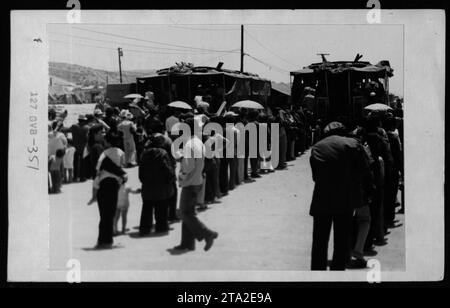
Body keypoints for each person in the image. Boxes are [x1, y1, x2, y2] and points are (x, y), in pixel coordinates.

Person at [309, 121, 372, 270]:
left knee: (319, 241)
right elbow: (365, 171)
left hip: (322, 199)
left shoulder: (317, 147)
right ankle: (338, 272)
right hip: (345, 199)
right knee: (342, 240)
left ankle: (317, 274)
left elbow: (315, 176)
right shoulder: (354, 144)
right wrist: (367, 193)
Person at [173, 117, 218, 252]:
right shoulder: (198, 142)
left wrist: (181, 172)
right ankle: (187, 243)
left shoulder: (189, 144)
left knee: (185, 213)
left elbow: (188, 166)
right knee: (188, 213)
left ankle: (207, 233)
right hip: (197, 179)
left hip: (190, 182)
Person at [91, 130, 127, 249]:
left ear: (107, 141)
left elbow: (98, 169)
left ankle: (102, 240)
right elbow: (122, 166)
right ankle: (108, 240)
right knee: (111, 213)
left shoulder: (104, 153)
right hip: (115, 184)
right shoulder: (121, 152)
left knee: (103, 214)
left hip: (103, 184)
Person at [138, 133, 176, 235]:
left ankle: (145, 229)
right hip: (161, 187)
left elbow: (140, 171)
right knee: (161, 208)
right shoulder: (163, 153)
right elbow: (167, 169)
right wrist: (171, 179)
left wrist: (144, 181)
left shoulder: (144, 153)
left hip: (148, 187)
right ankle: (161, 227)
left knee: (147, 208)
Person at [70, 115, 89, 182]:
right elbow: (86, 138)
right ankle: (82, 177)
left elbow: (68, 130)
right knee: (83, 163)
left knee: (75, 162)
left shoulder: (74, 126)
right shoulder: (86, 127)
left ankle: (75, 177)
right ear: (84, 121)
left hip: (75, 147)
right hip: (83, 147)